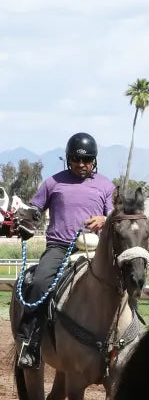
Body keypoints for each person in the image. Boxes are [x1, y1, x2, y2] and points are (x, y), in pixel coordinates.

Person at [15, 132, 114, 368]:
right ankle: (30, 343)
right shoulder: (52, 183)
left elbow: (115, 216)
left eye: (87, 160)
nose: (81, 165)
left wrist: (104, 219)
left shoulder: (106, 186)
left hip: (95, 250)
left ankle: (128, 340)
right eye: (76, 160)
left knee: (124, 281)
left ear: (94, 160)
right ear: (68, 159)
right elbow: (34, 211)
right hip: (59, 247)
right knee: (38, 283)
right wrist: (27, 218)